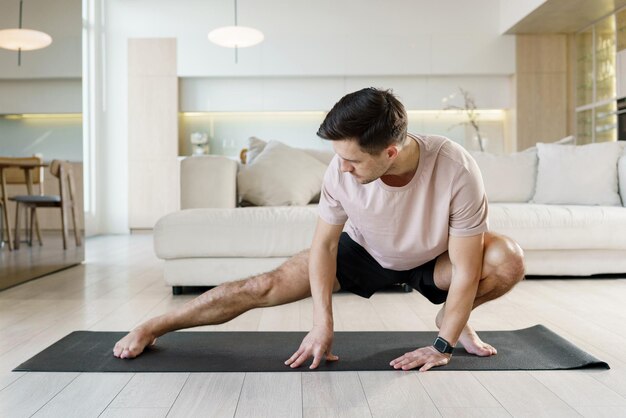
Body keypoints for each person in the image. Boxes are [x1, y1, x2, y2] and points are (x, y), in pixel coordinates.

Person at [113, 87, 525, 372]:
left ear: (391, 152)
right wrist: (321, 323)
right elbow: (325, 247)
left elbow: (468, 270)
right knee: (261, 286)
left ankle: (450, 319)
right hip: (365, 250)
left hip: (435, 260)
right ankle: (154, 326)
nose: (342, 168)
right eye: (339, 158)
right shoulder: (339, 169)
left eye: (354, 161)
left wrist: (443, 346)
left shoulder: (455, 167)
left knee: (507, 259)